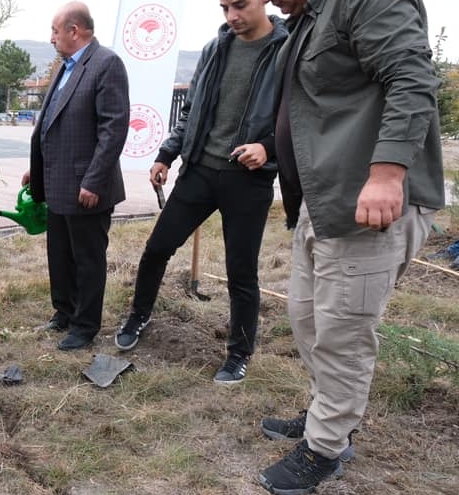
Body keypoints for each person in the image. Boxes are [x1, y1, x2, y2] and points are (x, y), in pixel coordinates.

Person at [258, 0, 445, 493]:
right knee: (308, 321)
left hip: (370, 207)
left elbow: (411, 77)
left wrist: (387, 173)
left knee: (342, 335)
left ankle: (325, 447)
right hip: (324, 203)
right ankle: (326, 414)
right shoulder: (308, 19)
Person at [113, 0, 286, 385]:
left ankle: (239, 353)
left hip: (249, 181)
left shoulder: (286, 49)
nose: (231, 17)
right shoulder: (216, 47)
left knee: (241, 273)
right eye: (224, 7)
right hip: (200, 172)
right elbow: (191, 111)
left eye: (239, 6)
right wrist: (166, 154)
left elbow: (300, 116)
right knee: (157, 248)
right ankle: (139, 316)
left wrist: (268, 147)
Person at [21, 2, 129, 350]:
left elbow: (113, 129)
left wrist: (94, 181)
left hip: (87, 186)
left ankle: (85, 325)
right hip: (58, 183)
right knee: (60, 253)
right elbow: (53, 125)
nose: (51, 38)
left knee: (87, 258)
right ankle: (64, 312)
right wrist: (35, 169)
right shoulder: (65, 68)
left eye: (55, 31)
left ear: (75, 30)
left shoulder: (105, 64)